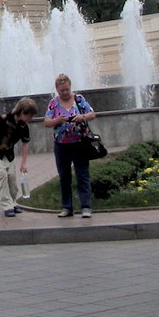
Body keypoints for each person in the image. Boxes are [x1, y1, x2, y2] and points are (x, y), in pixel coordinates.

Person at [44, 74, 97, 218]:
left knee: (82, 175)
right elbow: (46, 122)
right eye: (62, 91)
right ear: (57, 90)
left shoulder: (79, 99)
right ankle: (67, 207)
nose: (65, 93)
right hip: (61, 145)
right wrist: (57, 120)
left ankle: (86, 207)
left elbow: (92, 113)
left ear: (70, 87)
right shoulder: (53, 103)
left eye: (67, 90)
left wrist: (82, 117)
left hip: (79, 143)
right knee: (64, 177)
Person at [0, 97, 38, 217]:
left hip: (8, 155)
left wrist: (24, 163)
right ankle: (7, 206)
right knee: (1, 176)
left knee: (12, 178)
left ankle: (13, 202)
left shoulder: (24, 127)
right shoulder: (3, 119)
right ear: (22, 112)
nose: (31, 119)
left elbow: (25, 144)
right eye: (29, 115)